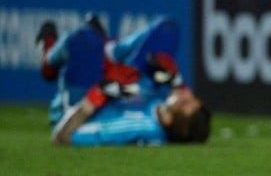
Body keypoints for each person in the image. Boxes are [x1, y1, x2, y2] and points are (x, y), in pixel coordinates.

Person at [37, 14, 211, 146]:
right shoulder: (160, 105)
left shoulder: (137, 126)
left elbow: (62, 136)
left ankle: (48, 58)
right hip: (122, 83)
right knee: (167, 30)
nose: (187, 95)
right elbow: (148, 89)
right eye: (194, 100)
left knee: (85, 39)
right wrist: (174, 80)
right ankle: (107, 49)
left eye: (187, 103)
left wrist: (98, 94)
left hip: (80, 101)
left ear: (170, 120)